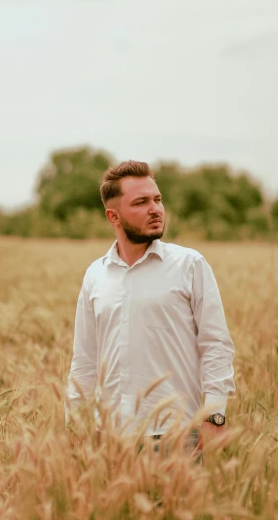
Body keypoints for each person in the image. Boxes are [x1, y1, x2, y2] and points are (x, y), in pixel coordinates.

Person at [65, 160, 236, 451]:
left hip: (179, 434)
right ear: (113, 216)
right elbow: (84, 359)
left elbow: (216, 344)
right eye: (141, 202)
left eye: (157, 199)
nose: (155, 209)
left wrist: (215, 414)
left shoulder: (190, 265)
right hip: (109, 438)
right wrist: (77, 422)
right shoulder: (96, 275)